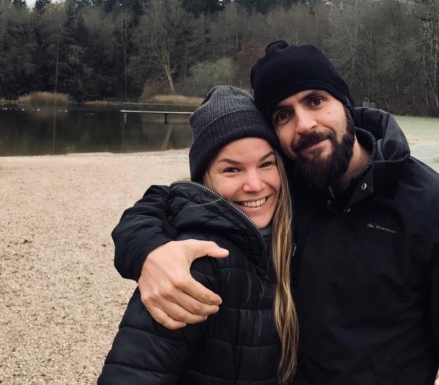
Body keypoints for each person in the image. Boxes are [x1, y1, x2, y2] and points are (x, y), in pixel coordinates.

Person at [112, 41, 439, 384]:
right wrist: (149, 251)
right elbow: (175, 199)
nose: (304, 124)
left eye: (315, 101)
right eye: (283, 115)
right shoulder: (288, 184)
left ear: (345, 104)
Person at [99, 85, 298, 384]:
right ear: (205, 179)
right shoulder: (195, 263)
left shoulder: (293, 232)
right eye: (232, 170)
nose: (255, 185)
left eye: (266, 164)